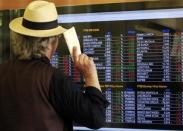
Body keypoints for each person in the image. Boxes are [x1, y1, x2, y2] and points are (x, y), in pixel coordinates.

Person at [0, 1, 109, 131]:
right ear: (53, 42)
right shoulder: (53, 79)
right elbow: (96, 117)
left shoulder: (2, 71)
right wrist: (90, 75)